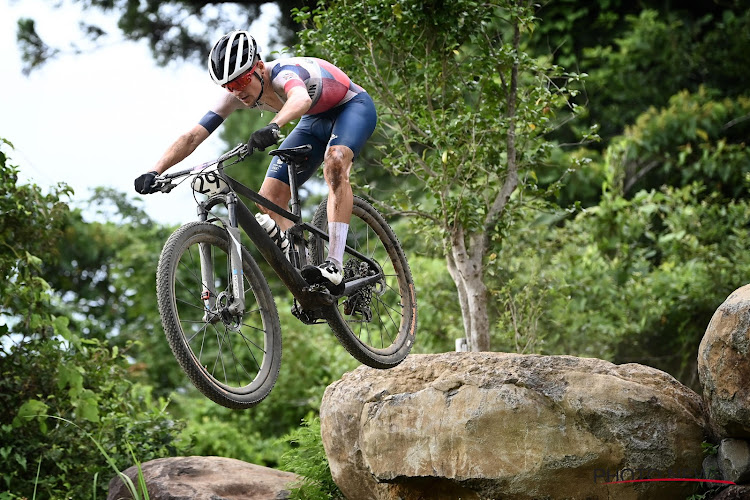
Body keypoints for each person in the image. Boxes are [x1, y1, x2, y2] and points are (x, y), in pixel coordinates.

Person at [134, 30, 377, 292]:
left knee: (335, 162)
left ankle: (334, 265)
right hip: (313, 120)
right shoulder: (234, 95)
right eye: (228, 86)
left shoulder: (283, 72)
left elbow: (300, 98)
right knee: (268, 198)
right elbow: (193, 136)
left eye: (240, 81)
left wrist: (273, 126)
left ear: (259, 67)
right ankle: (307, 269)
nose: (236, 91)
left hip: (352, 106)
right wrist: (155, 170)